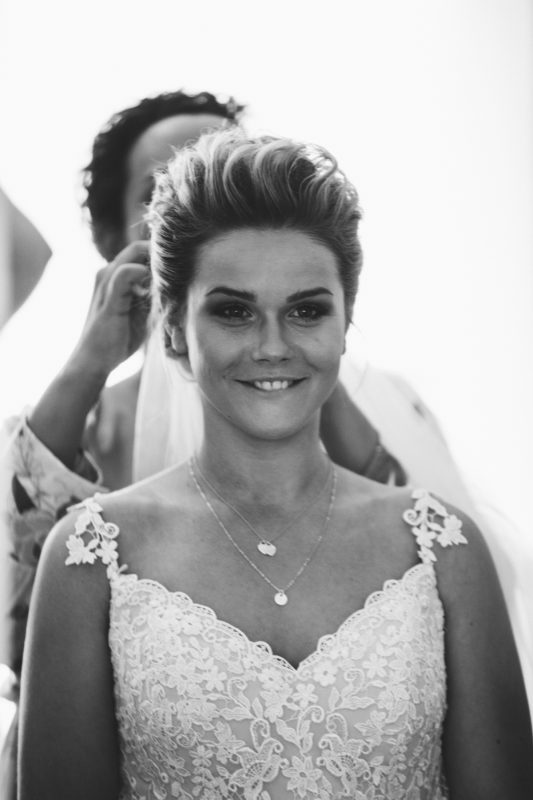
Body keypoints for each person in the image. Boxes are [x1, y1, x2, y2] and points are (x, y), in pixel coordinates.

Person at [18, 129, 533, 799]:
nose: (271, 345)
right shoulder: (89, 556)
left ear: (344, 324)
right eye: (233, 311)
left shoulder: (443, 549)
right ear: (172, 328)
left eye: (306, 310)